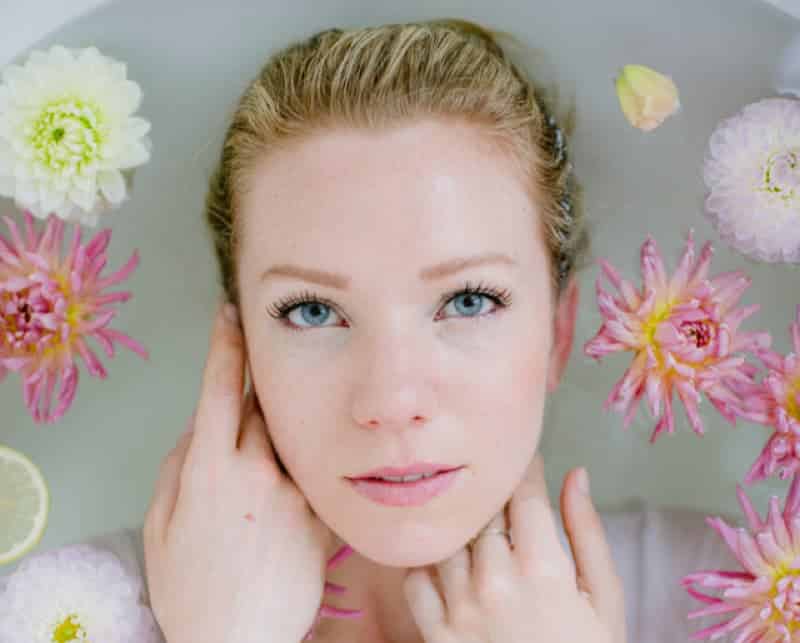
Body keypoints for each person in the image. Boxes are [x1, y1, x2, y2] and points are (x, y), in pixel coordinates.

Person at [1, 18, 740, 643]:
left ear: (559, 332)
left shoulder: (732, 595)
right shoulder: (70, 612)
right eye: (313, 311)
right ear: (241, 351)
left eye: (469, 300)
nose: (391, 397)